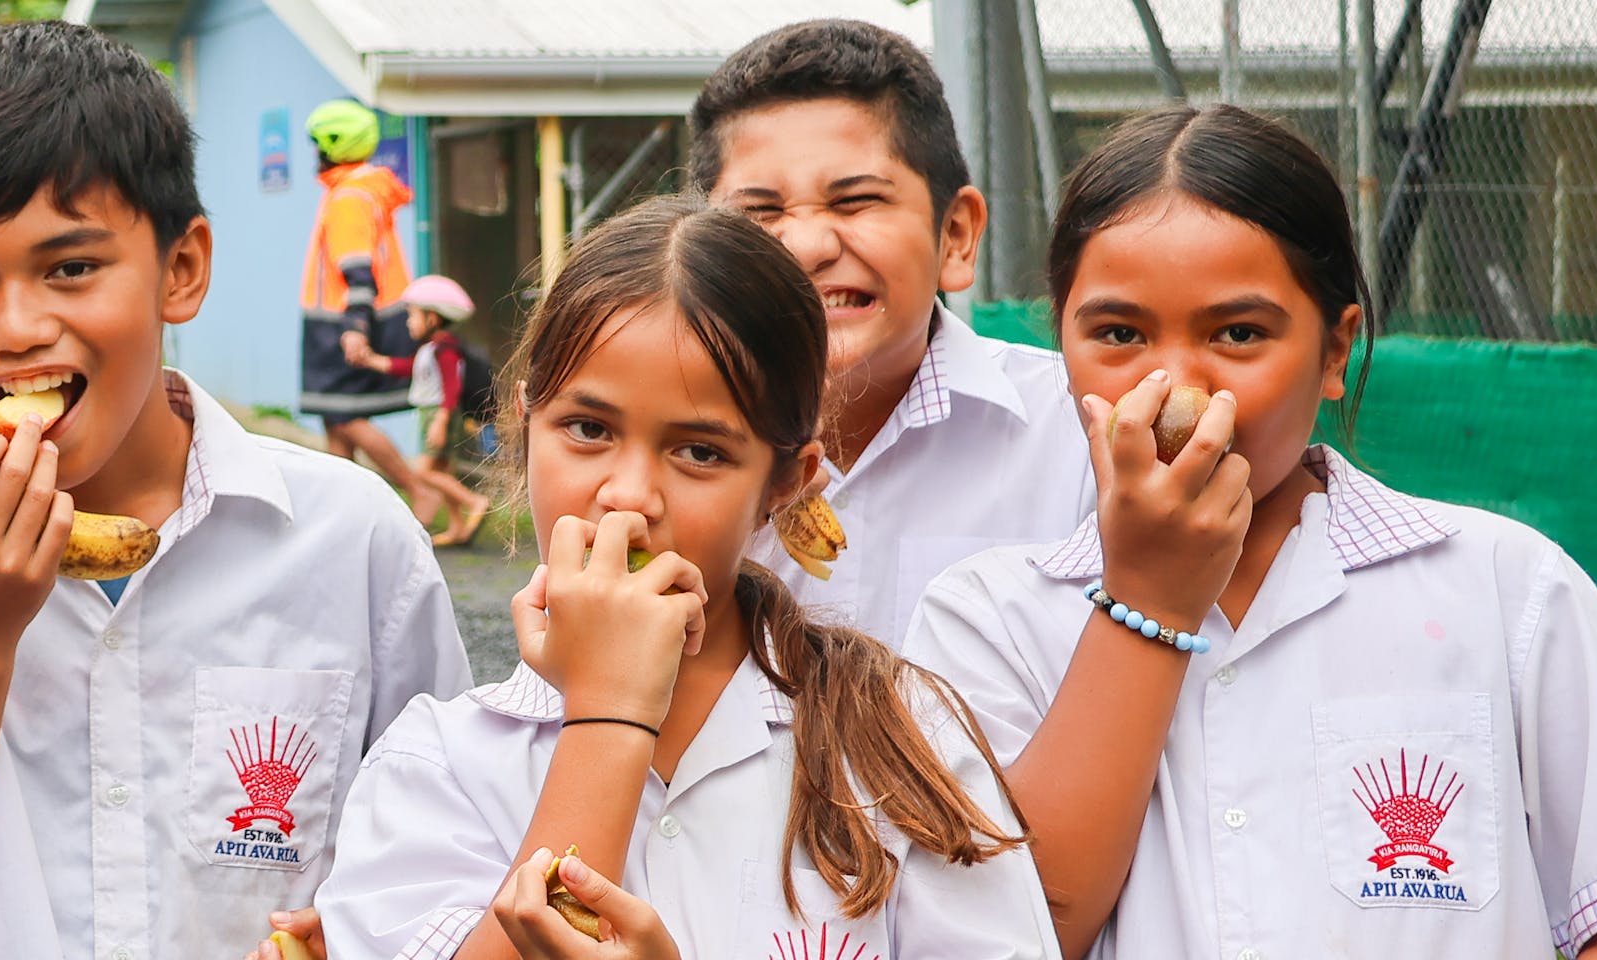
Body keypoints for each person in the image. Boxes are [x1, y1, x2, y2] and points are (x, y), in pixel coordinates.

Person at [896, 104, 1597, 959]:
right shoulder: (986, 622)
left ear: (1335, 352)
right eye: (1119, 333)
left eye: (1239, 333)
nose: (1177, 389)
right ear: (1063, 348)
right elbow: (1024, 926)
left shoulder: (1505, 591)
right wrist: (1145, 601)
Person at [0, 21, 470, 960]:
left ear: (181, 268)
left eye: (71, 268)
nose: (16, 327)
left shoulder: (355, 542)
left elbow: (438, 873)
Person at [307, 193, 1051, 960]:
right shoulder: (437, 765)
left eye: (700, 451)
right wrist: (608, 713)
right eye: (588, 429)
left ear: (787, 482)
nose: (628, 494)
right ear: (526, 425)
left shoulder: (901, 735)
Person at [690, 20, 1094, 637]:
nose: (805, 246)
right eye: (759, 212)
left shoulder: (1081, 442)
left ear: (955, 235)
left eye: (854, 202)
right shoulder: (648, 447)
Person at [300, 98, 493, 542]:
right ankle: (343, 513)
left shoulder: (349, 196)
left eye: (317, 143)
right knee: (335, 419)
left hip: (346, 321)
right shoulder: (359, 190)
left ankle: (416, 490)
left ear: (333, 144)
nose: (314, 151)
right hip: (342, 318)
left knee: (344, 416)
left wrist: (355, 327)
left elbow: (357, 270)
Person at [346, 274, 496, 546]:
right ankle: (458, 527)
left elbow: (452, 387)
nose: (407, 322)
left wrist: (440, 420)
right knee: (444, 472)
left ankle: (475, 501)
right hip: (437, 413)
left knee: (424, 471)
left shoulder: (445, 350)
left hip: (438, 414)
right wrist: (370, 360)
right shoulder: (430, 349)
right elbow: (405, 368)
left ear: (432, 319)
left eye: (412, 315)